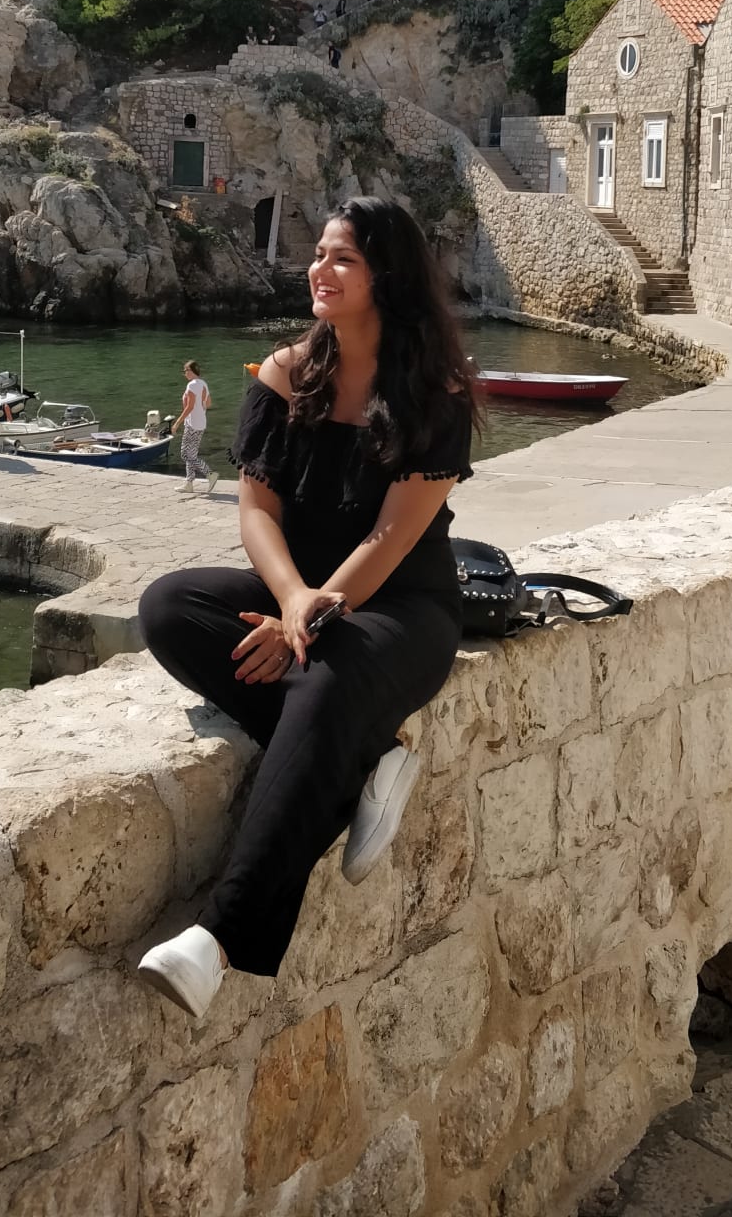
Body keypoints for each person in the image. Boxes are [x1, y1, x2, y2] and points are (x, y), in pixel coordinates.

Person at [135, 198, 478, 1019]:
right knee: (168, 605)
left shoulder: (437, 391)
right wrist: (292, 601)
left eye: (343, 259)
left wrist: (312, 619)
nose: (319, 271)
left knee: (322, 681)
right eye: (319, 255)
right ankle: (366, 759)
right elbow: (256, 512)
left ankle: (214, 942)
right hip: (304, 595)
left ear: (384, 277)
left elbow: (395, 539)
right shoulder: (284, 373)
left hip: (404, 608)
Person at [171, 359, 219, 497]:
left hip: (192, 424)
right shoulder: (203, 384)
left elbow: (190, 407)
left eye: (186, 370)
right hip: (201, 423)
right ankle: (189, 484)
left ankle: (210, 474)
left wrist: (177, 423)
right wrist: (200, 408)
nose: (184, 373)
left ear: (192, 371)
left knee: (185, 454)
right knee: (191, 454)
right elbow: (208, 403)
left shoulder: (191, 385)